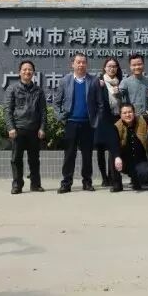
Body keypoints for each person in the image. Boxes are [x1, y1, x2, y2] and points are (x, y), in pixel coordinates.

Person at [55, 52, 100, 193]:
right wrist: (60, 117)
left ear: (86, 64)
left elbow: (100, 104)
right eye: (78, 62)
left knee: (87, 155)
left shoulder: (93, 81)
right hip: (71, 123)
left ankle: (87, 182)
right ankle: (66, 183)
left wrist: (96, 120)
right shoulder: (65, 81)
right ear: (72, 64)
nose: (81, 65)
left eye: (83, 62)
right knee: (69, 155)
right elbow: (57, 102)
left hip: (88, 124)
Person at [4, 60, 47, 194]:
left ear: (33, 72)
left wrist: (42, 128)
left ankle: (35, 184)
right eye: (24, 69)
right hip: (18, 129)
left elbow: (43, 112)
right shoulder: (12, 89)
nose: (27, 72)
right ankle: (17, 185)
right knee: (16, 159)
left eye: (30, 70)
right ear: (20, 72)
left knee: (34, 159)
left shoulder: (38, 91)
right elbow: (7, 110)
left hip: (34, 130)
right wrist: (11, 127)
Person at [93, 57, 125, 187]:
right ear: (105, 68)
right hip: (102, 119)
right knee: (101, 149)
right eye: (109, 66)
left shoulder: (121, 82)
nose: (112, 68)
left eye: (114, 66)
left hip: (116, 118)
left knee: (114, 147)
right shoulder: (99, 82)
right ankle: (104, 177)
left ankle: (113, 176)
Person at [111, 103, 148, 193]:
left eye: (130, 112)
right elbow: (113, 144)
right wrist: (117, 157)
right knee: (113, 154)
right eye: (124, 113)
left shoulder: (142, 120)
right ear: (120, 115)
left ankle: (136, 180)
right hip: (124, 162)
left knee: (145, 172)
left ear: (134, 112)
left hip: (140, 160)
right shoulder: (116, 126)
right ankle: (117, 183)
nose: (128, 115)